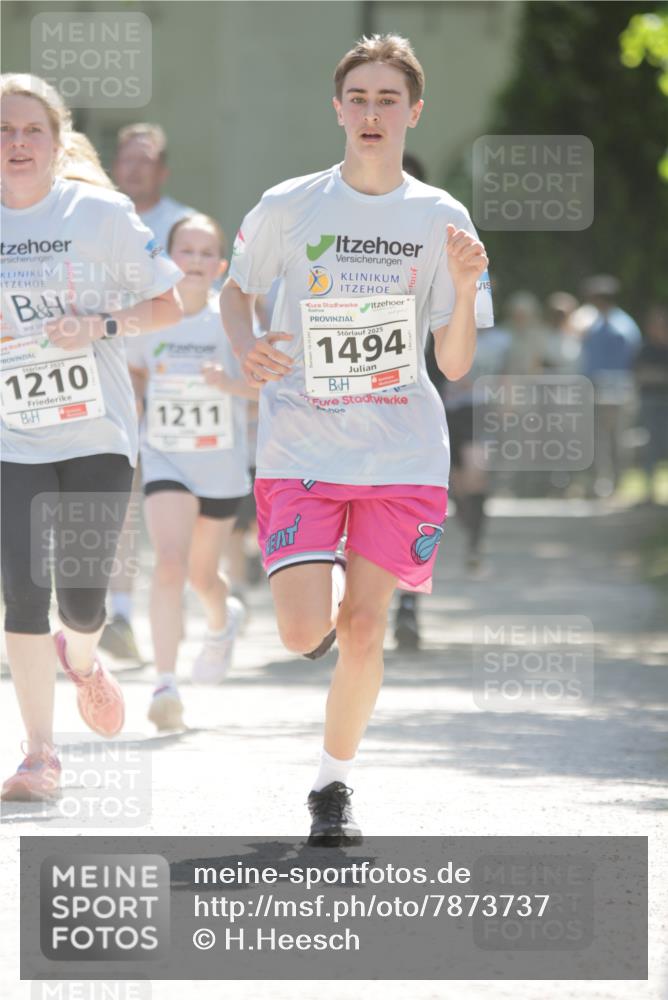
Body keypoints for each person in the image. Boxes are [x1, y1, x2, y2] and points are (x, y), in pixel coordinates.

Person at [220, 34, 493, 844]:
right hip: (301, 446)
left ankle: (332, 788)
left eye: (388, 100)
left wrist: (468, 284)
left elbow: (452, 359)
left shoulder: (440, 218)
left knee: (366, 627)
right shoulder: (288, 204)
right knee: (306, 632)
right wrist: (248, 347)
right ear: (338, 109)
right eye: (359, 98)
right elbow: (238, 295)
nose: (373, 113)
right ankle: (326, 603)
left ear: (414, 112)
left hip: (401, 450)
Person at [0, 74, 183, 801]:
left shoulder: (100, 213)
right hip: (10, 434)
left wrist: (101, 325)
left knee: (80, 602)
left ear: (56, 139)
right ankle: (39, 754)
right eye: (3, 132)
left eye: (29, 131)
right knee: (21, 592)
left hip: (97, 430)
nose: (16, 144)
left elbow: (169, 304)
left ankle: (81, 657)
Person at [128, 214, 256, 731]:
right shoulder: (151, 314)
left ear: (221, 265)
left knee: (203, 576)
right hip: (166, 457)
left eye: (208, 253)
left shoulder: (232, 318)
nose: (197, 261)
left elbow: (269, 385)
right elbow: (133, 368)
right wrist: (138, 395)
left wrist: (229, 384)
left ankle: (222, 623)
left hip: (221, 467)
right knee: (169, 564)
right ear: (167, 258)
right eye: (187, 251)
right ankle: (165, 682)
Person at [99, 123, 196, 662]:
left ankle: (144, 610)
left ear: (163, 169)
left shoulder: (180, 224)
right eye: (126, 159)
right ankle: (113, 611)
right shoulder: (92, 217)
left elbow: (193, 299)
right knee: (111, 498)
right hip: (106, 372)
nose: (134, 169)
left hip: (164, 383)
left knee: (149, 500)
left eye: (146, 160)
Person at [579, 275, 641, 497]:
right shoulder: (595, 324)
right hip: (596, 387)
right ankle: (601, 481)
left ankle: (616, 481)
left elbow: (629, 361)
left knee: (616, 437)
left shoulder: (621, 326)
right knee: (598, 438)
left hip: (616, 389)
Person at [633, 305, 668, 504]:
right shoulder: (645, 348)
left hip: (664, 402)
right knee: (650, 446)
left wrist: (655, 376)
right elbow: (640, 374)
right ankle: (649, 490)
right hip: (649, 402)